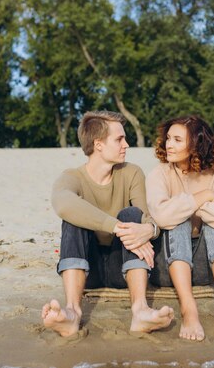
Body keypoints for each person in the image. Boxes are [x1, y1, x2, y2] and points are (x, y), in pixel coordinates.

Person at [42, 110, 174, 338]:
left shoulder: (131, 173)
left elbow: (146, 217)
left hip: (122, 266)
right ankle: (72, 313)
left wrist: (147, 229)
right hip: (88, 268)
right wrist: (116, 226)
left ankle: (140, 310)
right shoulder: (72, 176)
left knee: (131, 213)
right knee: (73, 218)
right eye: (119, 139)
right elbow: (62, 203)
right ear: (98, 144)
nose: (126, 144)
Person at [145, 115, 214, 342]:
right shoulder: (159, 174)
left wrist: (190, 206)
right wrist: (203, 199)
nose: (169, 144)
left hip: (205, 269)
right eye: (168, 138)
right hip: (167, 268)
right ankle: (189, 308)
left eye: (178, 140)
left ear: (196, 144)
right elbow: (162, 216)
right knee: (176, 221)